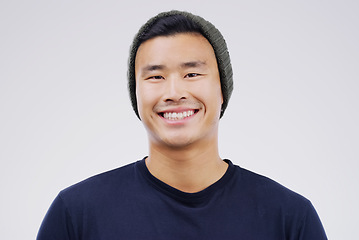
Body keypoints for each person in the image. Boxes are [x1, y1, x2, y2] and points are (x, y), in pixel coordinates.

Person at [37, 10, 327, 239]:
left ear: (222, 89)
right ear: (136, 95)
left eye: (191, 74)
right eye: (155, 77)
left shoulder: (289, 218)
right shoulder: (76, 214)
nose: (174, 93)